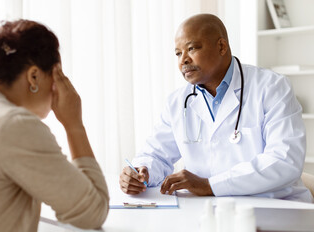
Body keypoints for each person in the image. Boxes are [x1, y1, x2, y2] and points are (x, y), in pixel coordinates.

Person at [119, 13, 313, 203]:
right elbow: (155, 155)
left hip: (279, 207)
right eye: (178, 53)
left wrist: (210, 185)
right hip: (211, 210)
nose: (183, 60)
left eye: (192, 48)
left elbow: (284, 160)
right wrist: (140, 172)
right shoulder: (178, 102)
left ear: (221, 46)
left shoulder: (272, 87)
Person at [0, 20, 109, 232]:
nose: (59, 88)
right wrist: (74, 125)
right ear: (34, 76)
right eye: (58, 77)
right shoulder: (13, 125)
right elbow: (93, 213)